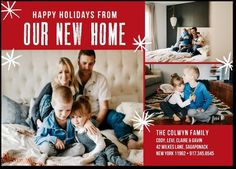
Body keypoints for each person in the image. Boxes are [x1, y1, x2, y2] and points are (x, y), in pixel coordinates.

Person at [75, 50, 142, 149]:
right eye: (84, 63)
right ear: (78, 62)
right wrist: (85, 122)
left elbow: (104, 107)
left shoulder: (101, 79)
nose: (87, 67)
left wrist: (96, 123)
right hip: (81, 119)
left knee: (117, 117)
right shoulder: (72, 80)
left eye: (91, 63)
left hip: (100, 116)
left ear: (94, 63)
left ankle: (130, 141)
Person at [29, 57, 97, 134]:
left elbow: (83, 109)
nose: (64, 75)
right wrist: (39, 123)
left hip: (69, 121)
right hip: (48, 119)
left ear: (71, 74)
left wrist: (87, 121)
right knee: (46, 98)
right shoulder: (50, 86)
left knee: (92, 121)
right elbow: (35, 107)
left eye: (67, 72)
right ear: (57, 74)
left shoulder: (77, 88)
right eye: (60, 72)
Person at [70, 96, 134, 166]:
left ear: (88, 116)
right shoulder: (76, 130)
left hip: (107, 147)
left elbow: (101, 144)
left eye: (79, 117)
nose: (75, 120)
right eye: (73, 117)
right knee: (100, 163)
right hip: (97, 153)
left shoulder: (90, 129)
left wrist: (90, 154)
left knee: (113, 157)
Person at [34, 86, 85, 157]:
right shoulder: (48, 122)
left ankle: (60, 156)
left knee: (81, 148)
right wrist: (54, 139)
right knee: (46, 148)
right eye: (60, 110)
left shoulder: (72, 117)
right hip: (53, 146)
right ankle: (56, 154)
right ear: (53, 105)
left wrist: (87, 123)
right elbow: (37, 139)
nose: (64, 114)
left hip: (67, 147)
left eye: (68, 110)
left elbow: (83, 118)